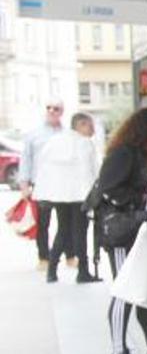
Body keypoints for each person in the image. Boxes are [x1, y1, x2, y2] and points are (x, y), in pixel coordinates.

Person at [98, 107, 147, 354]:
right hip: (120, 231)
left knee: (143, 287)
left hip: (134, 228)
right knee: (124, 290)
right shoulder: (124, 154)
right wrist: (139, 200)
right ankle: (118, 350)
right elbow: (108, 189)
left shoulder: (140, 154)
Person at [33, 112, 99, 283]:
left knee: (63, 230)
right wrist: (93, 196)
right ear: (81, 125)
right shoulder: (84, 143)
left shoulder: (55, 141)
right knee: (80, 233)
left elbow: (44, 167)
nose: (93, 130)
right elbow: (88, 172)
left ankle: (52, 270)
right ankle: (83, 271)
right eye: (90, 126)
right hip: (79, 195)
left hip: (58, 195)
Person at [19, 98, 64, 270]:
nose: (52, 111)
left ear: (62, 112)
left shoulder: (66, 133)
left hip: (62, 185)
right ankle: (44, 257)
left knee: (65, 222)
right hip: (41, 185)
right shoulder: (34, 134)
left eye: (56, 108)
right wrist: (24, 184)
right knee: (43, 223)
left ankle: (68, 255)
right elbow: (26, 160)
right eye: (49, 108)